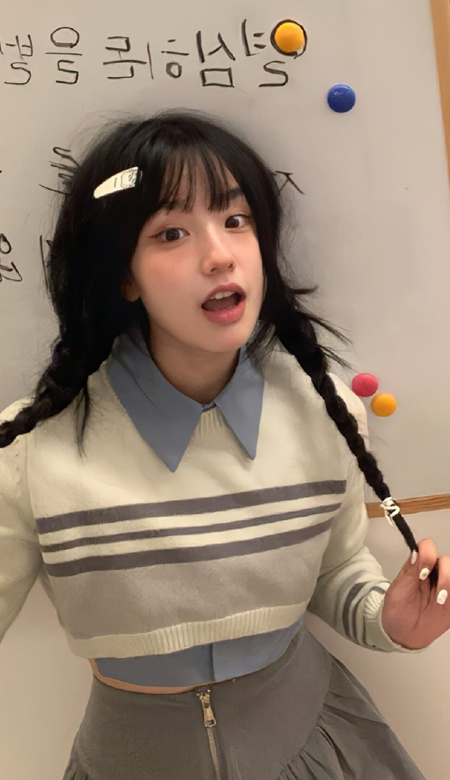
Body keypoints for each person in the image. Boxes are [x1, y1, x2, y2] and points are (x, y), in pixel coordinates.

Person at [0, 109, 448, 780]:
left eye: (237, 220)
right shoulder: (33, 449)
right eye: (171, 232)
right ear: (124, 274)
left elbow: (334, 572)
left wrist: (392, 620)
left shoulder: (325, 410)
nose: (219, 254)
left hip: (322, 744)